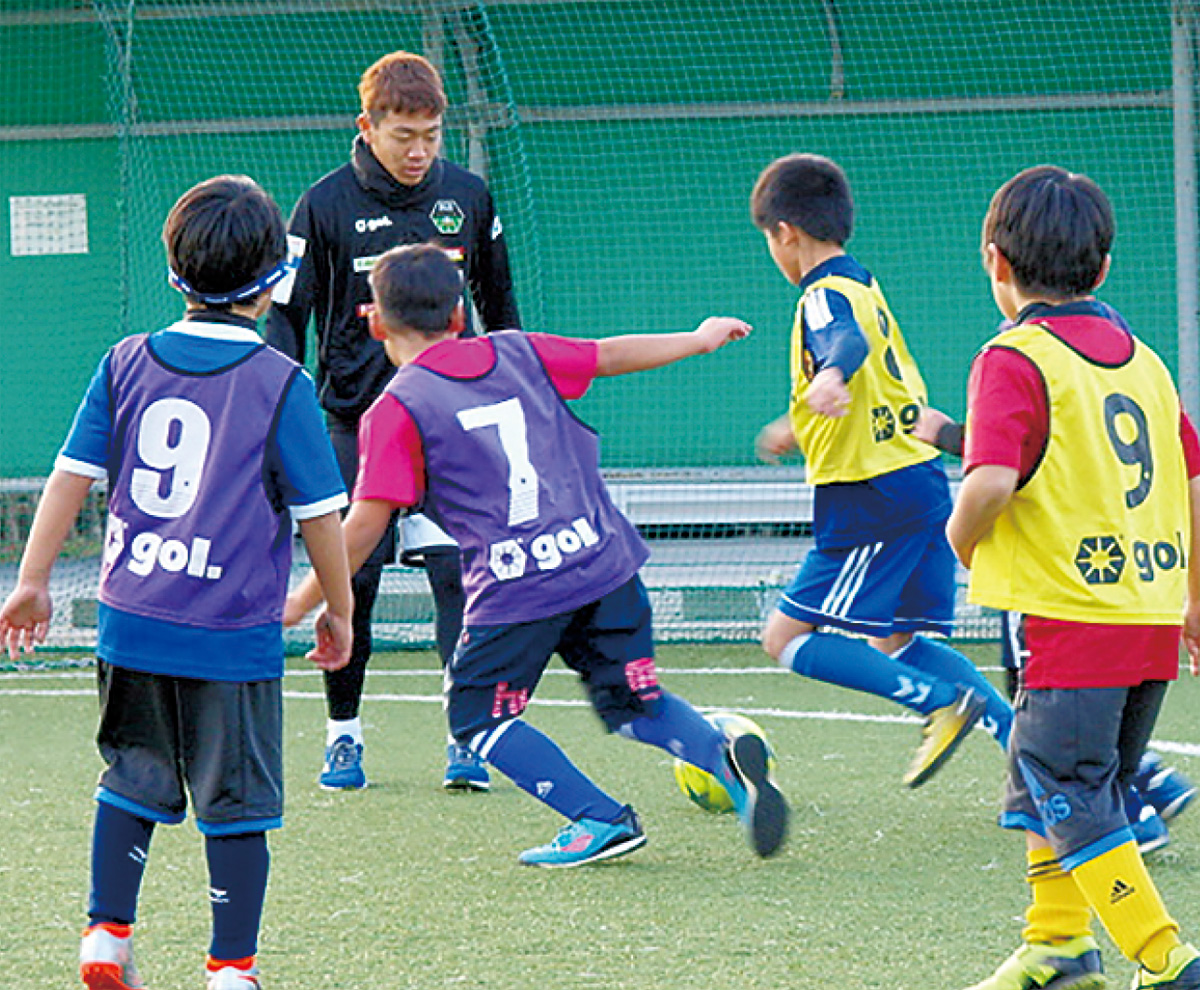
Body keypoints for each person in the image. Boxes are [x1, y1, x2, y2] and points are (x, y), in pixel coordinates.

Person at [285, 243, 789, 866]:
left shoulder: (395, 408)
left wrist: (305, 600)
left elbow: (365, 525)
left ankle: (600, 818)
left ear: (376, 322)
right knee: (635, 703)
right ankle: (720, 756)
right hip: (602, 562)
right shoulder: (519, 350)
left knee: (477, 717)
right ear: (459, 316)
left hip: (517, 589)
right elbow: (608, 354)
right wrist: (697, 339)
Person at [0, 175, 353, 990]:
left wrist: (33, 580)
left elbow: (70, 477)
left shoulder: (124, 361)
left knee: (131, 777)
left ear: (173, 274)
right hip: (230, 635)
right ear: (275, 283)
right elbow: (321, 517)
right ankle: (231, 967)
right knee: (238, 807)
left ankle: (105, 935)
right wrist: (337, 608)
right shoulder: (281, 383)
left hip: (131, 621)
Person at [950, 164, 1200, 990]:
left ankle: (1164, 958)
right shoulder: (1146, 364)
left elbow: (990, 481)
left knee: (1067, 786)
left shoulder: (1013, 357)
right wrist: (1195, 599)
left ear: (995, 261)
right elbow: (1191, 480)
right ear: (1104, 267)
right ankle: (1056, 944)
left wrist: (961, 538)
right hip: (1149, 609)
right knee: (1060, 779)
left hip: (1067, 612)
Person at [265, 49, 521, 793]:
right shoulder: (323, 205)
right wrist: (279, 416)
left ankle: (466, 736)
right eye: (404, 135)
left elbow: (501, 309)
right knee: (354, 581)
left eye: (431, 136)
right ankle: (343, 736)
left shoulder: (469, 197)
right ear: (367, 126)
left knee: (455, 575)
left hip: (450, 428)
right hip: (354, 425)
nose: (418, 151)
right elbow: (285, 321)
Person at [748, 152, 1013, 787]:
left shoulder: (822, 293)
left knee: (784, 638)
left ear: (785, 232)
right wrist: (801, 423)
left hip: (870, 495)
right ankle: (1045, 763)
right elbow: (869, 377)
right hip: (919, 481)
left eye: (769, 240)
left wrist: (830, 374)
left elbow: (845, 343)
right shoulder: (864, 284)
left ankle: (938, 704)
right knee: (899, 642)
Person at [916, 400, 1198, 855]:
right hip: (1141, 571)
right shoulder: (1146, 369)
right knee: (1090, 703)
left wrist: (948, 440)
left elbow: (1016, 459)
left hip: (1059, 564)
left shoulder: (1028, 363)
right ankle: (1147, 781)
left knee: (1044, 713)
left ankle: (1130, 814)